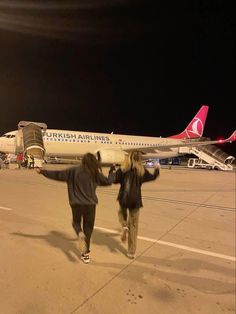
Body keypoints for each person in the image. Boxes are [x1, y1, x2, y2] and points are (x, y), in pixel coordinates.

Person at [36, 153, 114, 264]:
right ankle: (86, 254)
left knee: (76, 223)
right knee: (88, 227)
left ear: (83, 161)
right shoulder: (95, 173)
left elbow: (57, 174)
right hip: (90, 204)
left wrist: (42, 171)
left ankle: (79, 233)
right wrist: (112, 172)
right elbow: (108, 181)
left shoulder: (73, 171)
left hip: (76, 203)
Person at [109, 151, 160, 259]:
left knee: (121, 213)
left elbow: (113, 179)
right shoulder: (141, 171)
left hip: (124, 198)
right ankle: (131, 252)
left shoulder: (123, 169)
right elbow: (153, 177)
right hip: (135, 201)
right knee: (134, 226)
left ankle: (123, 225)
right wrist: (157, 169)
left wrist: (112, 169)